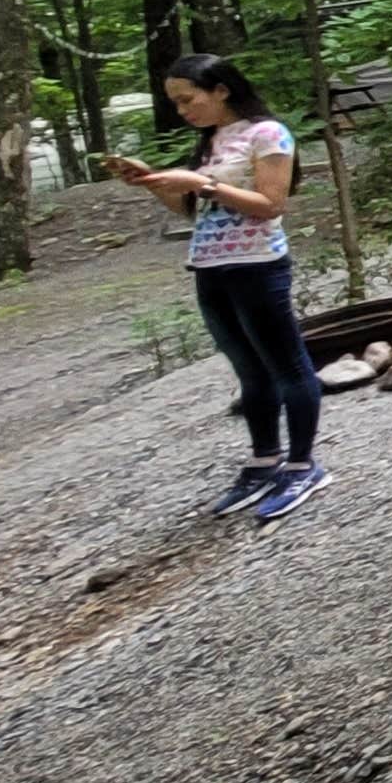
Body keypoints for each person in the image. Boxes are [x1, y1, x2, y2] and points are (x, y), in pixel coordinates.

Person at [105, 54, 326, 522]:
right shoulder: (210, 142)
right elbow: (194, 211)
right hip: (210, 266)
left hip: (258, 266)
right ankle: (264, 460)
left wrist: (202, 183)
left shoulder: (267, 133)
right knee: (248, 370)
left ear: (221, 89)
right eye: (175, 103)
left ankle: (304, 464)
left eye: (188, 99)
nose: (182, 110)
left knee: (286, 364)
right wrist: (151, 181)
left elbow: (270, 203)